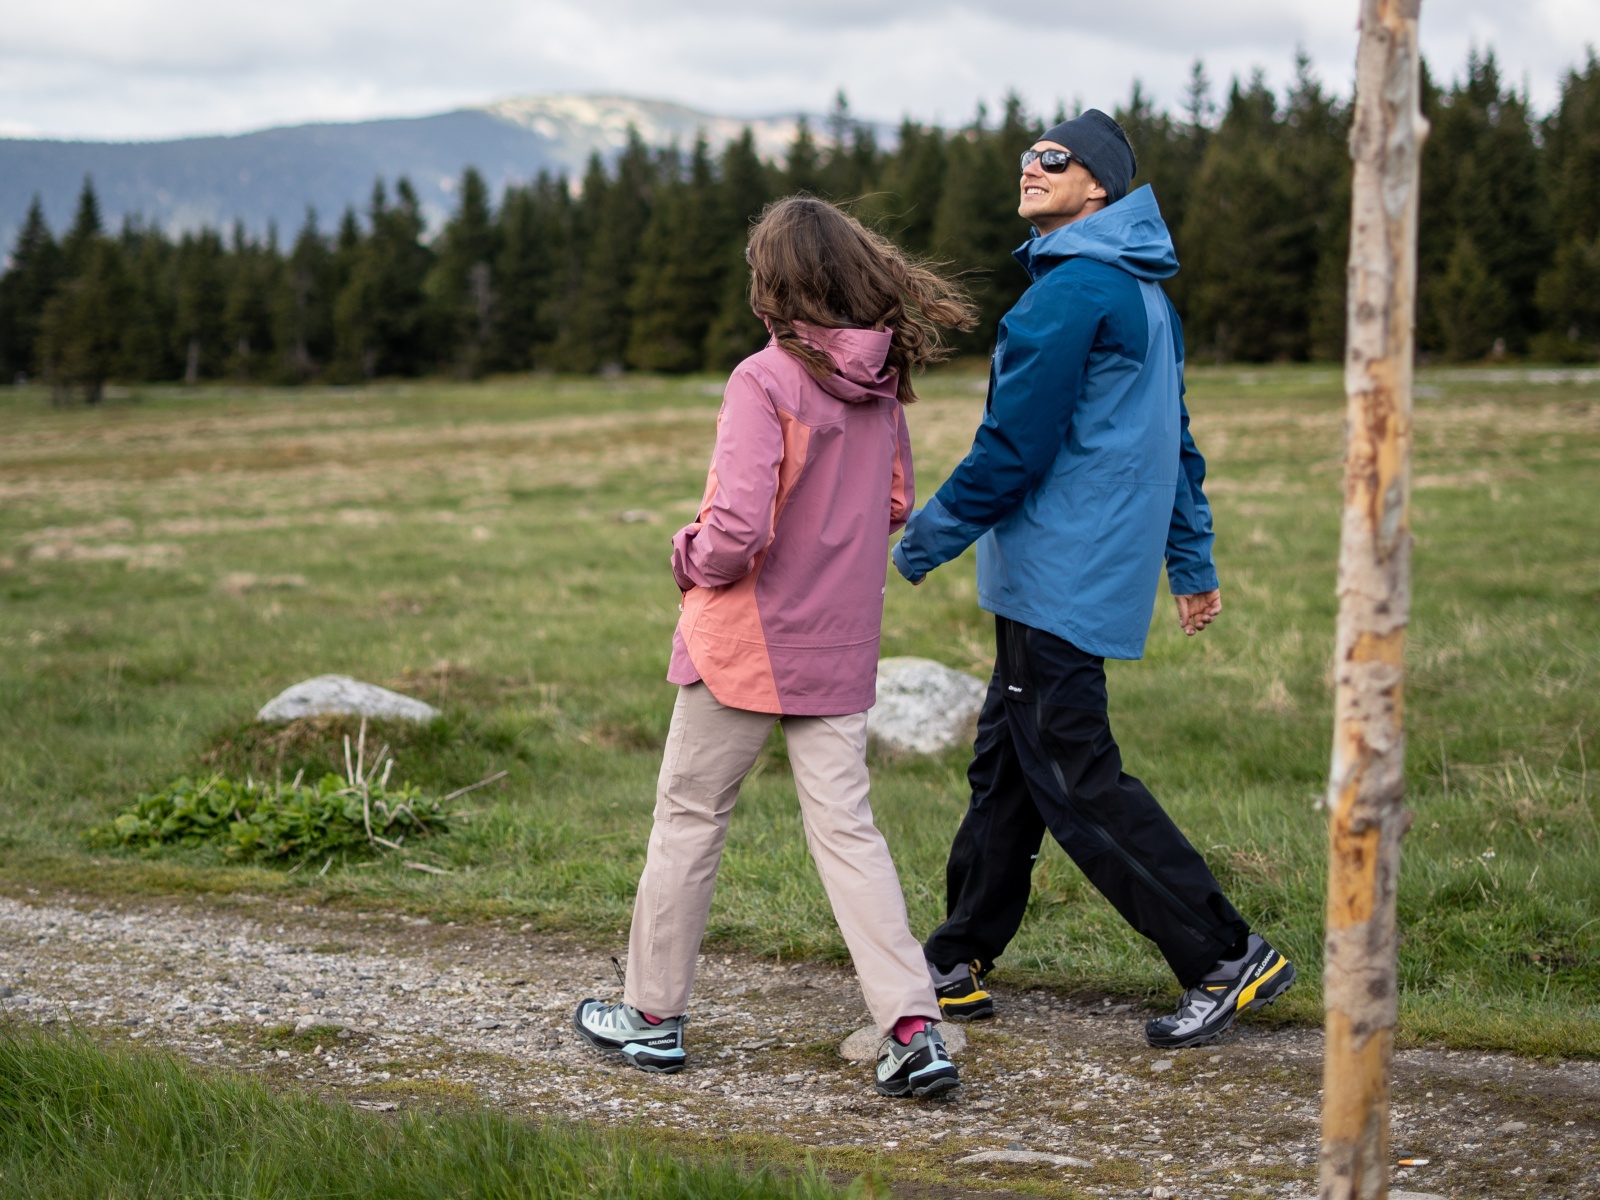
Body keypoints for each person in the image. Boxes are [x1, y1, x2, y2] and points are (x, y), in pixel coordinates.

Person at [892, 110, 1296, 1050]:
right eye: (1026, 155)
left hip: (1059, 573)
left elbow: (1013, 448)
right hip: (1069, 569)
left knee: (1075, 776)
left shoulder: (1072, 291)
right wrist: (1191, 560)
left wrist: (919, 542)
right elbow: (1177, 440)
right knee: (1008, 767)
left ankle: (1225, 955)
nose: (1029, 168)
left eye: (1053, 158)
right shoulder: (1141, 292)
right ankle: (954, 958)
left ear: (1099, 186)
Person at [575, 196, 977, 1097]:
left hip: (742, 644)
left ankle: (651, 1019)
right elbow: (894, 505)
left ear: (775, 282)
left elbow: (735, 531)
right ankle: (912, 1028)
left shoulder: (762, 379)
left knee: (689, 818)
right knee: (848, 831)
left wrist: (686, 556)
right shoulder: (882, 383)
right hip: (838, 643)